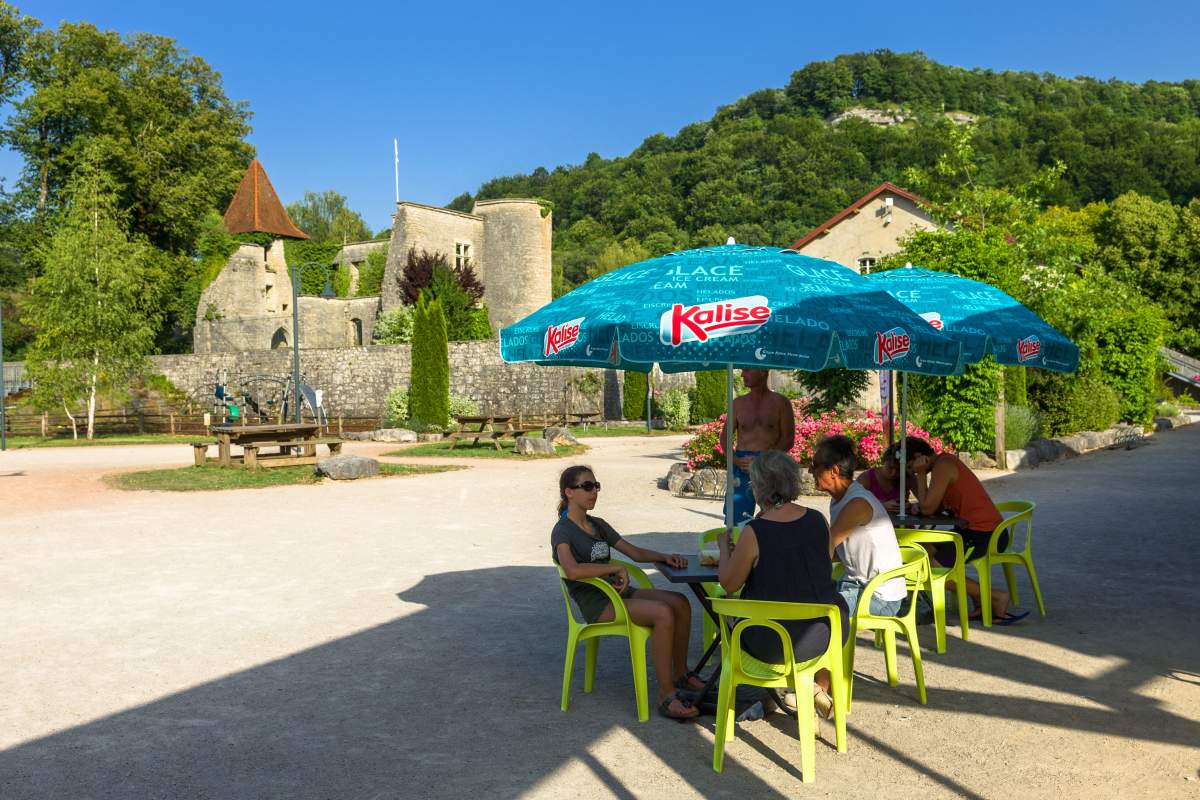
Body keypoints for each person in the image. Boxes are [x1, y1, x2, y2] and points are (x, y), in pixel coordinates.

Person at [551, 465, 703, 721]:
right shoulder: (562, 530)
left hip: (618, 594)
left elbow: (634, 553)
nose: (594, 492)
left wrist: (665, 556)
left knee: (680, 601)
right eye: (586, 487)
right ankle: (666, 696)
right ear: (569, 492)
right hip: (598, 604)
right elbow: (572, 570)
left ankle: (681, 675)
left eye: (596, 486)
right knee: (663, 613)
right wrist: (613, 567)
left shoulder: (597, 525)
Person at [717, 450, 849, 720]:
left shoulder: (756, 531)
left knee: (730, 612)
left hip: (771, 644)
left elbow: (729, 583)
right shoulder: (818, 520)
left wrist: (724, 550)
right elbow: (822, 563)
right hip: (825, 635)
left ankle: (762, 694)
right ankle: (807, 688)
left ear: (759, 487)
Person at [904, 436, 1029, 624]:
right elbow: (931, 508)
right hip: (972, 531)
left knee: (931, 568)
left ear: (918, 456)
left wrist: (920, 475)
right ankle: (979, 598)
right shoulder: (942, 464)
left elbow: (927, 509)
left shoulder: (944, 465)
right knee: (924, 551)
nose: (911, 472)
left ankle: (995, 597)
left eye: (910, 467)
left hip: (985, 535)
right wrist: (919, 503)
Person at [809, 435, 906, 618]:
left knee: (814, 610)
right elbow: (836, 551)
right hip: (856, 584)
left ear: (834, 470)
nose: (809, 470)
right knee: (803, 598)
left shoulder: (857, 503)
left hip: (879, 596)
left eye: (815, 464)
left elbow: (826, 549)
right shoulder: (840, 499)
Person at [721, 369, 796, 526]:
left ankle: (771, 549)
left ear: (762, 371)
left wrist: (762, 461)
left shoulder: (781, 403)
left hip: (771, 466)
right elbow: (725, 438)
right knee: (736, 519)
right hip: (742, 466)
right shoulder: (738, 404)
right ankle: (738, 549)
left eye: (747, 370)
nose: (742, 374)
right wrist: (734, 459)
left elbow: (788, 439)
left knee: (776, 516)